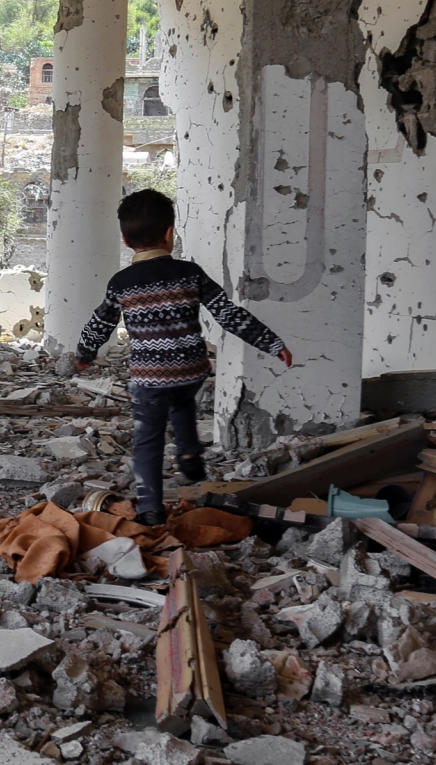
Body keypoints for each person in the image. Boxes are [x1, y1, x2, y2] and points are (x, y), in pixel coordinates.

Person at [73, 188, 292, 526]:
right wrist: (271, 342)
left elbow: (99, 322)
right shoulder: (190, 273)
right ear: (169, 233)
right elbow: (227, 313)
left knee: (148, 441)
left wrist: (85, 354)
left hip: (149, 378)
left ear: (124, 239)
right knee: (183, 402)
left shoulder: (122, 283)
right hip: (191, 370)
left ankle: (150, 509)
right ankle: (189, 453)